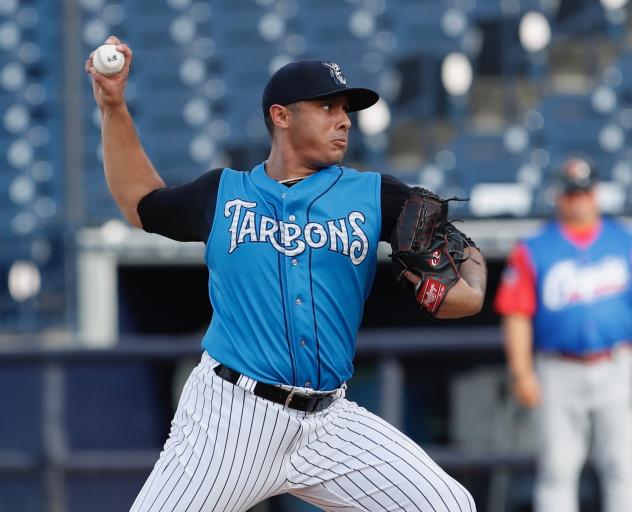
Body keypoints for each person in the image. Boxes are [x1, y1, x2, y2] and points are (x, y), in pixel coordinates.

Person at [86, 35, 486, 512]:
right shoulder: (224, 193)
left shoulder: (377, 194)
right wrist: (113, 106)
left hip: (329, 421)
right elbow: (139, 203)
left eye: (345, 110)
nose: (343, 120)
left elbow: (465, 265)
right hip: (231, 416)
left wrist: (471, 282)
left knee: (448, 506)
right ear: (281, 115)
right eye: (326, 106)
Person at [495, 158, 632, 512]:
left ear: (596, 194)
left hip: (616, 364)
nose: (578, 201)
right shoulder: (535, 247)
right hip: (557, 369)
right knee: (557, 470)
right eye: (572, 194)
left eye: (584, 193)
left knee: (624, 468)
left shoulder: (623, 240)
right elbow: (516, 314)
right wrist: (521, 371)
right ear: (560, 196)